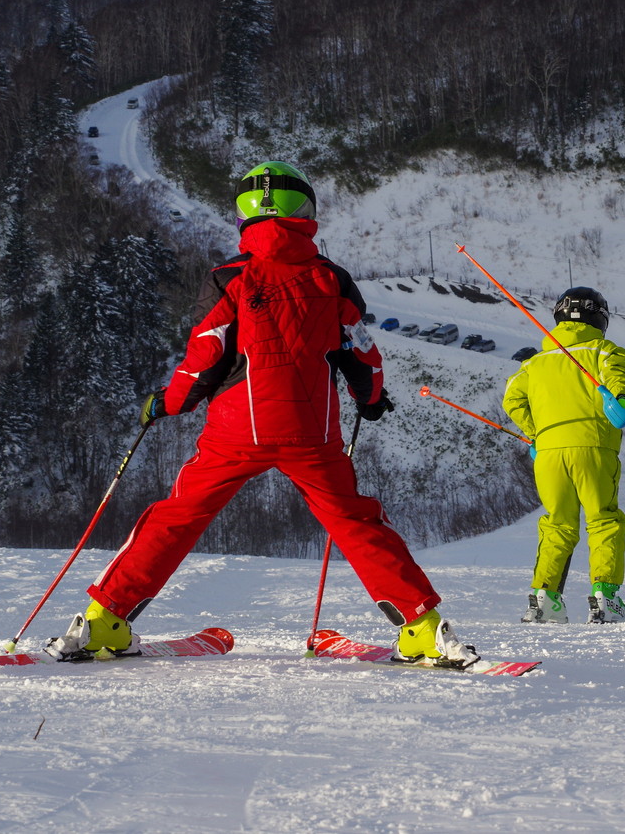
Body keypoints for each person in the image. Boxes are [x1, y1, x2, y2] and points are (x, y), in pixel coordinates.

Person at [44, 161, 476, 667]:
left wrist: (168, 402)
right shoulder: (332, 280)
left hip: (234, 431)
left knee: (176, 517)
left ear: (244, 214)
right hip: (311, 434)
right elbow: (363, 353)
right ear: (306, 211)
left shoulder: (230, 276)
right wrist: (371, 399)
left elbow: (205, 354)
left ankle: (103, 622)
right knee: (357, 522)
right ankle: (423, 629)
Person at [504, 286, 625, 624]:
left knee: (558, 524)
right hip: (594, 447)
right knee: (604, 520)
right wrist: (622, 402)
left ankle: (544, 600)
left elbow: (512, 401)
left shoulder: (533, 363)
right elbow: (618, 391)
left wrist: (536, 434)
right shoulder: (605, 351)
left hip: (548, 454)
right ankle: (605, 598)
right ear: (601, 318)